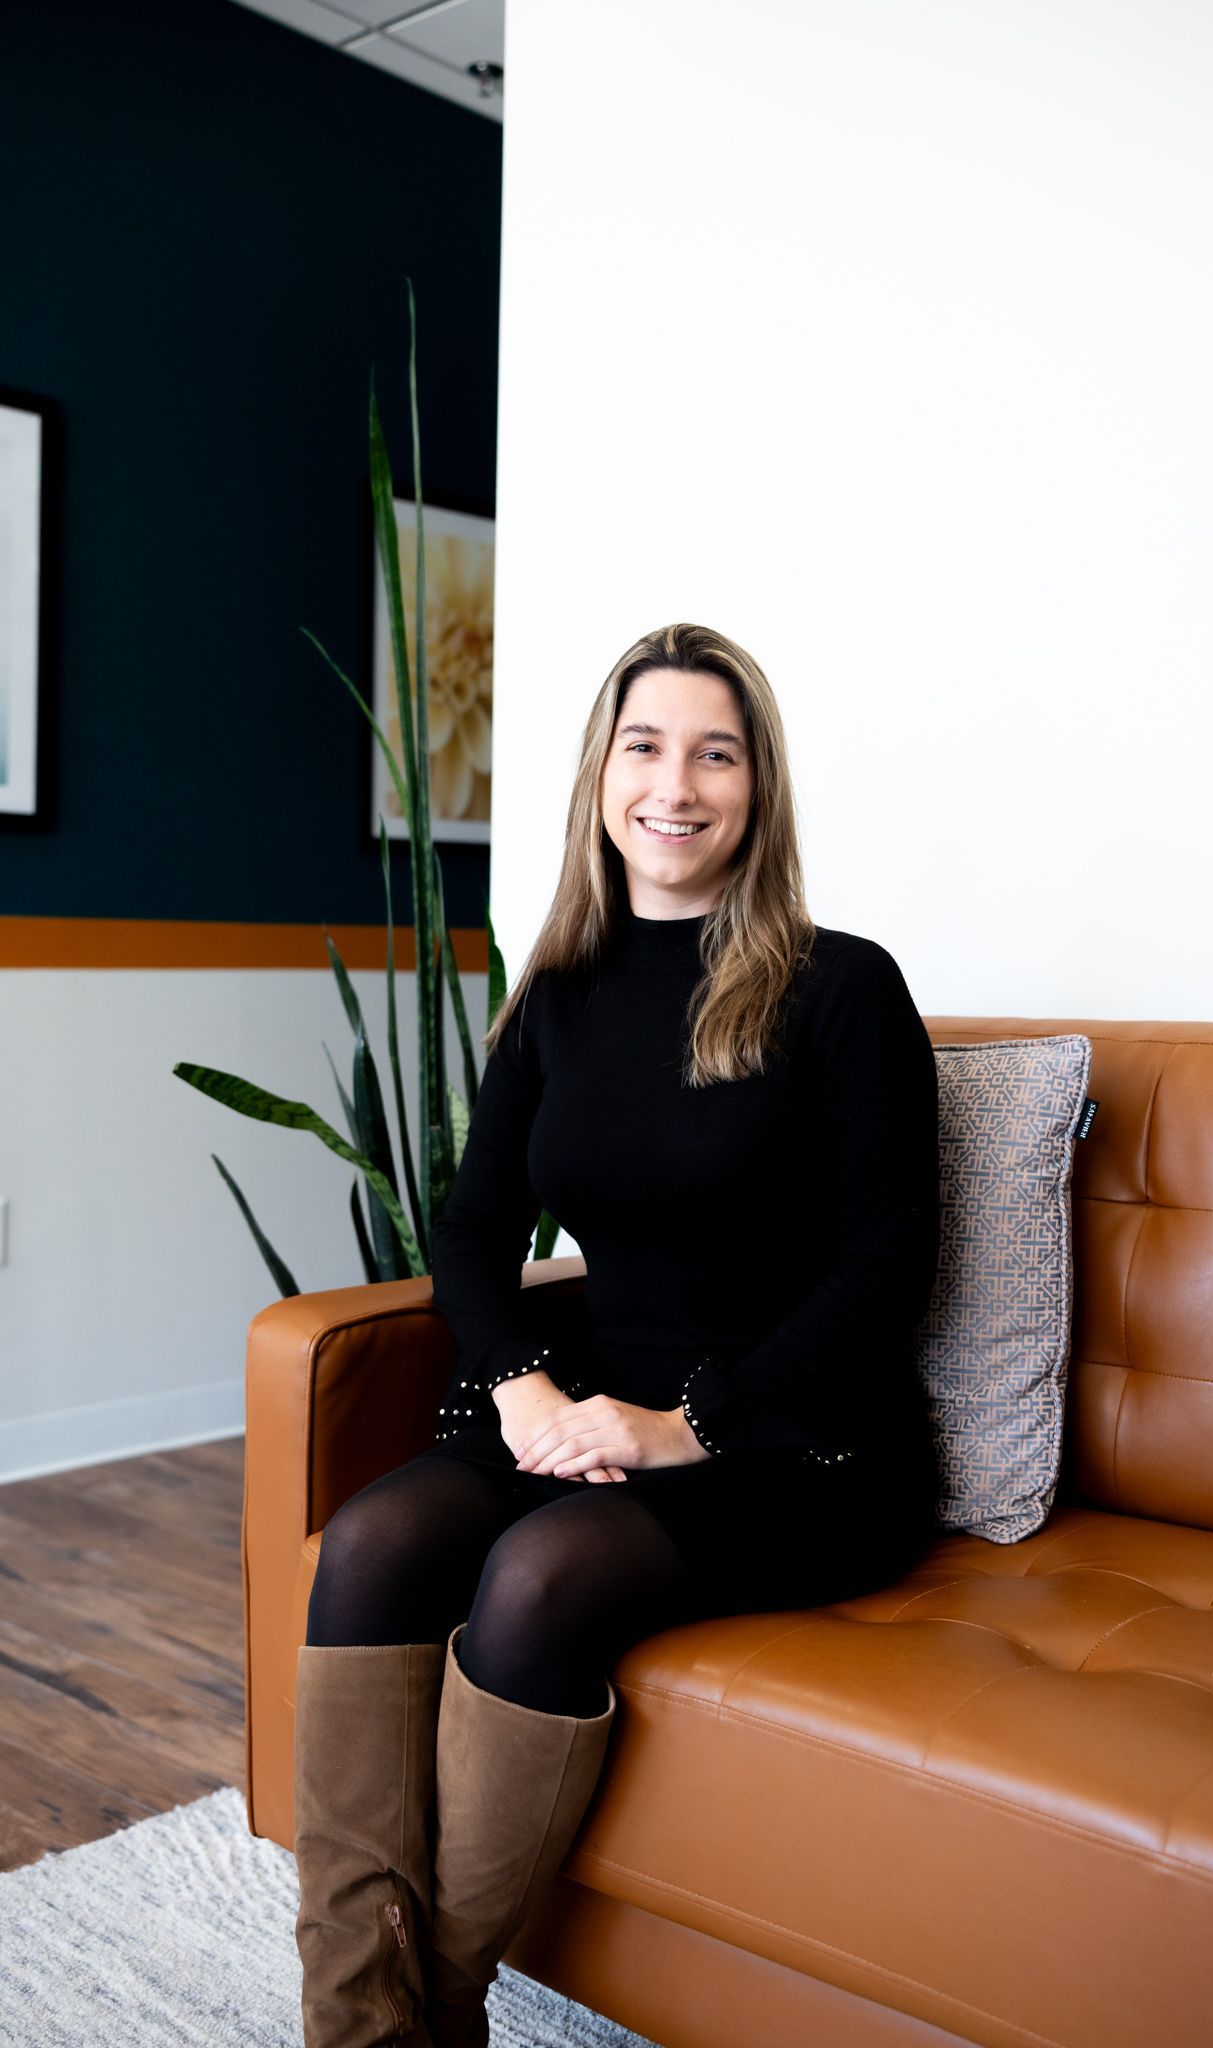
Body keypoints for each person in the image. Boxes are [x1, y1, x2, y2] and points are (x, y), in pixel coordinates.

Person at [291, 621, 941, 2047]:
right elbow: (470, 1233)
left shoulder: (841, 988)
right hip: (592, 1401)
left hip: (798, 1438)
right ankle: (354, 2026)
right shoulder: (565, 994)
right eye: (645, 746)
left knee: (535, 1576)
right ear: (601, 776)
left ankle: (435, 2013)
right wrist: (519, 1387)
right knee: (377, 1542)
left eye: (716, 752)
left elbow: (888, 1266)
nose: (677, 783)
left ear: (757, 790)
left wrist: (685, 1427)